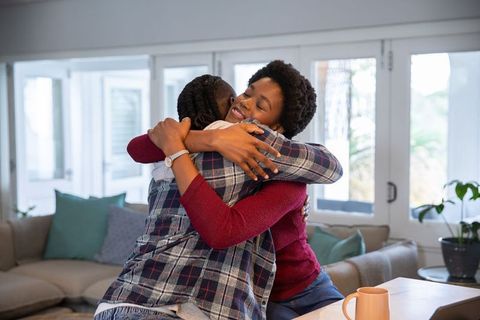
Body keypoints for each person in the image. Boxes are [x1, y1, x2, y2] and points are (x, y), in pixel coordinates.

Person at [96, 61, 342, 320]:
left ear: (278, 129)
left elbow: (332, 167)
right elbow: (139, 147)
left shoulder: (280, 167)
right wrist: (209, 138)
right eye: (247, 92)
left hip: (303, 288)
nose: (245, 102)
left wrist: (179, 144)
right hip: (256, 295)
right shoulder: (212, 150)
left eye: (260, 105)